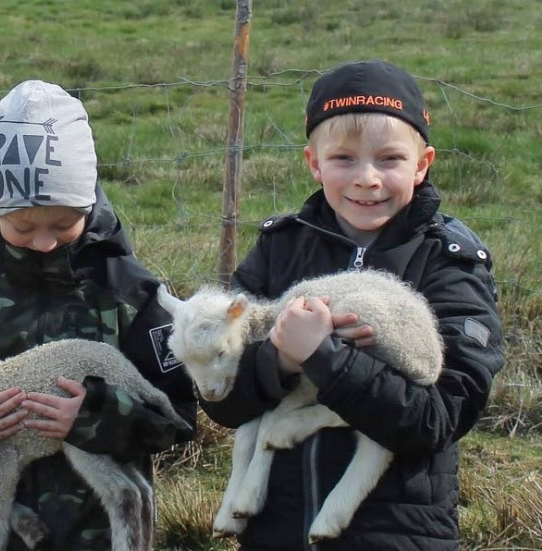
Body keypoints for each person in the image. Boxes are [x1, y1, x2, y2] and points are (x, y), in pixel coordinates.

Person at [200, 60, 505, 550]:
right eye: (343, 158)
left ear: (423, 163)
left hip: (397, 534)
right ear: (314, 163)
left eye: (389, 159)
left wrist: (326, 358)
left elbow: (439, 418)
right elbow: (223, 402)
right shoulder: (279, 249)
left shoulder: (449, 263)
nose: (366, 179)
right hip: (277, 530)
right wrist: (278, 358)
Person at [0, 80, 197, 550]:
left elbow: (178, 416)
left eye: (63, 224)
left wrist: (94, 418)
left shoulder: (132, 294)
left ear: (89, 201)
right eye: (22, 225)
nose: (43, 241)